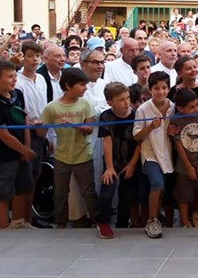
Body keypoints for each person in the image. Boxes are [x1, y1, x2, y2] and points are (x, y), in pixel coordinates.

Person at [42, 68, 99, 229]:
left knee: (88, 191)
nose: (85, 88)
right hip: (61, 156)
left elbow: (89, 129)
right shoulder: (51, 108)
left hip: (83, 155)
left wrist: (75, 126)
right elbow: (42, 132)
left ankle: (95, 220)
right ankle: (60, 222)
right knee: (60, 193)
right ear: (68, 86)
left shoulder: (86, 104)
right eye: (81, 85)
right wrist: (39, 125)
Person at [0, 60, 36, 228]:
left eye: (15, 76)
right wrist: (23, 150)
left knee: (23, 188)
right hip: (2, 156)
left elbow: (24, 119)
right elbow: (4, 135)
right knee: (3, 192)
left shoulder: (17, 94)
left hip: (21, 151)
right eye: (9, 77)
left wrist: (26, 146)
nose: (13, 80)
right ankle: (4, 227)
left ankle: (19, 222)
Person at [133, 71, 174, 238]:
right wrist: (150, 127)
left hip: (168, 155)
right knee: (156, 183)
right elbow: (136, 136)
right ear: (150, 90)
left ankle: (167, 220)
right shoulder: (143, 109)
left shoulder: (172, 107)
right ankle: (152, 220)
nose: (161, 92)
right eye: (156, 88)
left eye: (164, 88)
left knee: (166, 190)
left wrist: (173, 131)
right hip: (150, 154)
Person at [96, 82, 139, 238]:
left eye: (127, 98)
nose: (126, 102)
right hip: (112, 159)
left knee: (127, 194)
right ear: (110, 102)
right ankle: (102, 222)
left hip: (131, 159)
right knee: (107, 189)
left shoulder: (135, 115)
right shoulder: (106, 116)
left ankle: (122, 222)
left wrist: (132, 164)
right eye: (121, 100)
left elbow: (139, 142)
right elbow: (107, 142)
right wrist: (109, 167)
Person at [14, 41, 48, 226]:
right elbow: (19, 111)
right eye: (30, 56)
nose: (34, 59)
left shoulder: (41, 79)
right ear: (22, 57)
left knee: (36, 174)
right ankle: (21, 216)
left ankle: (30, 214)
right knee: (25, 176)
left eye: (37, 56)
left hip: (42, 132)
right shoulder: (17, 82)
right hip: (26, 133)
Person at [170, 88, 198, 228]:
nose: (196, 109)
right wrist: (188, 166)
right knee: (184, 195)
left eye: (197, 104)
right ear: (180, 108)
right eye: (191, 107)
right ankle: (185, 223)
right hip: (184, 164)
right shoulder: (176, 120)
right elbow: (178, 143)